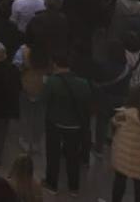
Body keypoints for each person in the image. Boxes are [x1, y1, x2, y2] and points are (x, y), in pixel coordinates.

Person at [40, 60, 92, 196]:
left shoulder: (52, 81)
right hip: (75, 125)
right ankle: (74, 187)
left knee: (53, 154)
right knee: (73, 156)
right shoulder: (83, 83)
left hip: (55, 123)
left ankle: (52, 184)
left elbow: (43, 100)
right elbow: (87, 103)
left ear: (56, 65)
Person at [107, 85, 140, 202]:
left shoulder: (124, 114)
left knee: (120, 181)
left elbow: (113, 125)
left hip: (124, 156)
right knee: (139, 184)